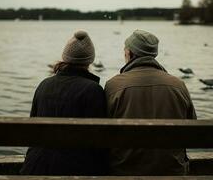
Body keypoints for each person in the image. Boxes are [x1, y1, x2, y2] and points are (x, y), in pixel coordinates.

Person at [104, 29, 196, 175]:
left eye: (125, 50)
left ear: (130, 53)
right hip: (171, 171)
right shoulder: (178, 85)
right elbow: (192, 131)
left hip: (125, 171)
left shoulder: (113, 86)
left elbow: (104, 134)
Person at [20, 30, 107, 175]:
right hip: (74, 169)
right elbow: (98, 139)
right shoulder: (93, 90)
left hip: (34, 167)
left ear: (65, 57)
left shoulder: (44, 85)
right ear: (90, 60)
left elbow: (32, 129)